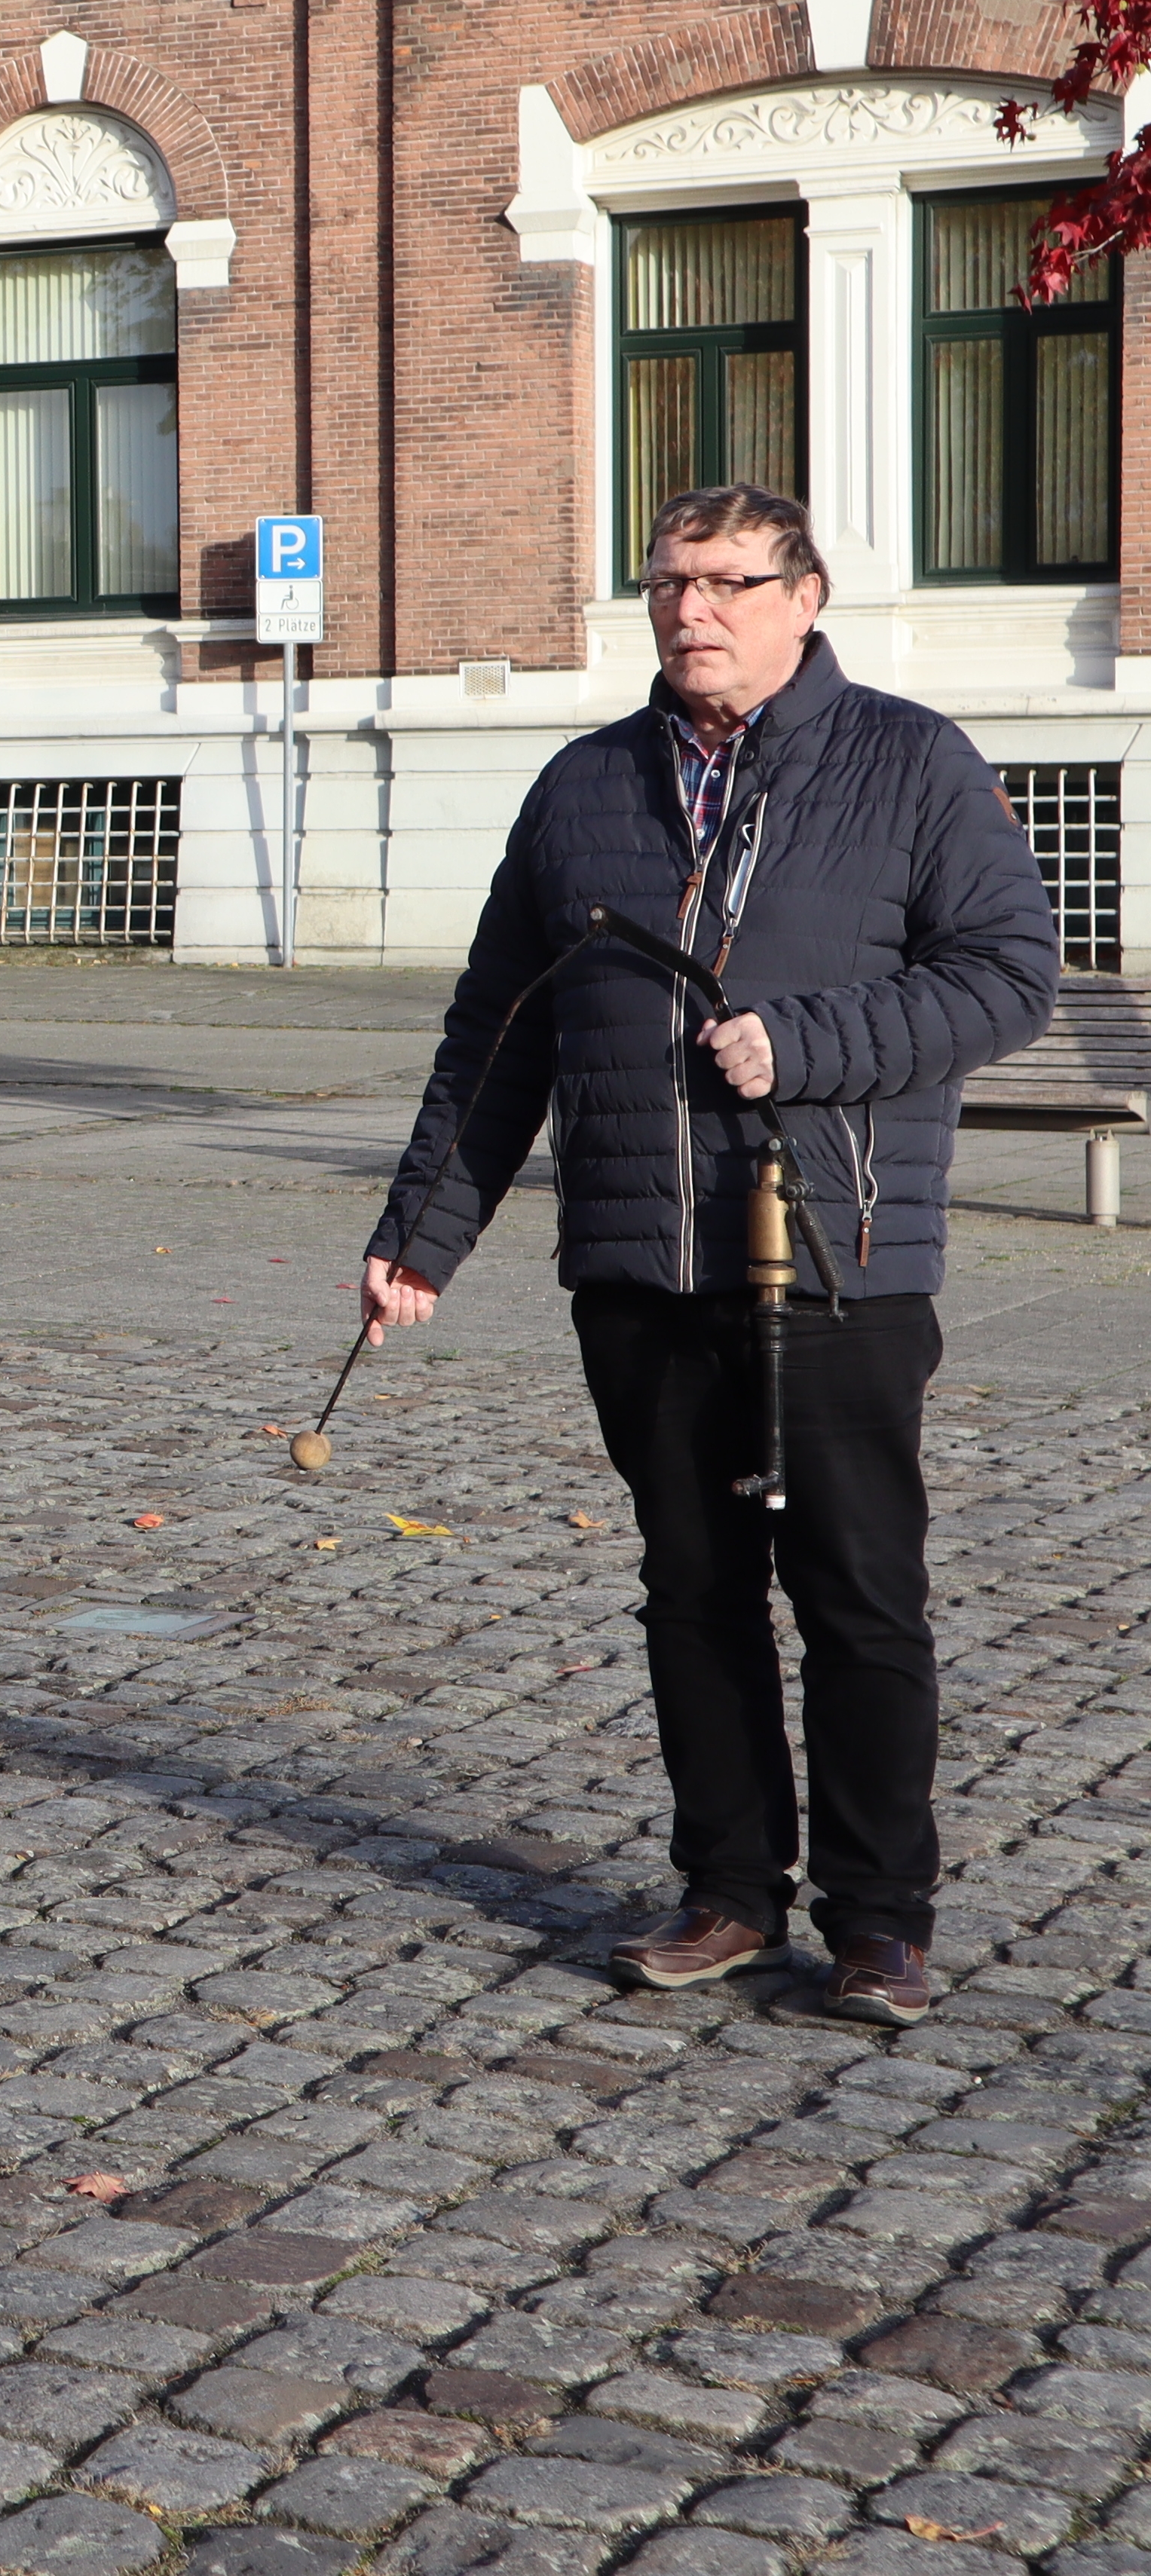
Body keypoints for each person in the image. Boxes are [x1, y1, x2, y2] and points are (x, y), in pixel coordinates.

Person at [363, 482, 1055, 2030]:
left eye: (730, 582)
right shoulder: (584, 785)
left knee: (860, 1597)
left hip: (838, 1255)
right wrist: (423, 1233)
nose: (693, 610)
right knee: (693, 1590)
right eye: (672, 582)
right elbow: (499, 1030)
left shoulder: (911, 762)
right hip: (641, 1264)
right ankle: (730, 1890)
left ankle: (880, 1921)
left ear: (805, 597)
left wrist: (808, 1043)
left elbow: (1009, 974)